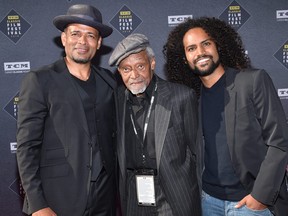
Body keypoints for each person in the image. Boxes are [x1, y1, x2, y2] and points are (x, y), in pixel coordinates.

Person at [163, 17, 288, 216]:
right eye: (191, 48)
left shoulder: (252, 81)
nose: (200, 52)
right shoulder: (193, 98)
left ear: (218, 46)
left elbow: (280, 141)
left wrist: (260, 197)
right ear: (184, 58)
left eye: (206, 44)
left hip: (249, 203)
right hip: (209, 201)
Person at [16, 4, 117, 216]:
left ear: (99, 43)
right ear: (64, 38)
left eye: (90, 35)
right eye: (76, 33)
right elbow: (27, 146)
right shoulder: (40, 80)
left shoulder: (109, 80)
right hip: (58, 198)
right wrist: (37, 204)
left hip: (105, 197)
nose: (82, 41)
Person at [108, 33, 201, 216]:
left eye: (140, 66)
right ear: (120, 72)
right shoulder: (117, 99)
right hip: (133, 195)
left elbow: (198, 154)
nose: (134, 75)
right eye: (126, 69)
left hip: (172, 195)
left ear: (152, 63)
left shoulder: (181, 97)